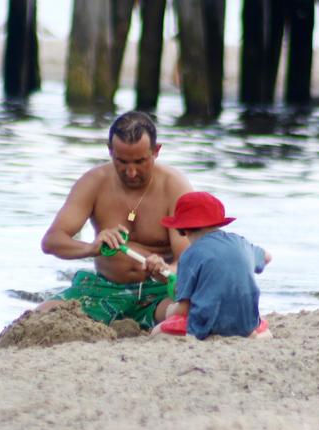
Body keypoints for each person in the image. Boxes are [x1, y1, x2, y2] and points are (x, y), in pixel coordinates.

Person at [38, 111, 193, 329]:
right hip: (103, 289)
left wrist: (165, 270)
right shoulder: (93, 182)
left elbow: (187, 260)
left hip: (157, 293)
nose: (131, 172)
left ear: (156, 151)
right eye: (121, 161)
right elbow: (51, 241)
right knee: (38, 317)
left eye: (140, 161)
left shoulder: (174, 186)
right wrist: (91, 248)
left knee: (183, 314)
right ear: (110, 151)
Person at [150, 191, 272, 339]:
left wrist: (170, 310)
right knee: (261, 327)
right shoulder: (242, 243)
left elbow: (183, 309)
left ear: (182, 230)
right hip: (247, 323)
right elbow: (267, 257)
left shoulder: (190, 255)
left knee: (157, 332)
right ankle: (256, 335)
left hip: (207, 326)